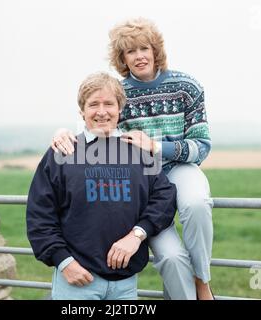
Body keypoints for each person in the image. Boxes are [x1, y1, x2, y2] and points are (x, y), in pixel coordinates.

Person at [51, 18, 214, 300]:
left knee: (196, 203)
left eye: (144, 49)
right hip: (145, 182)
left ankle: (202, 280)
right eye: (130, 51)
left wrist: (155, 146)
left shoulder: (188, 86)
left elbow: (202, 146)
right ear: (122, 57)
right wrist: (63, 132)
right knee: (172, 258)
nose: (138, 56)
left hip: (180, 168)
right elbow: (96, 126)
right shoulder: (120, 93)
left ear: (155, 51)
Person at [26, 72, 177, 300]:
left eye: (109, 104)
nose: (101, 111)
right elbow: (40, 215)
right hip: (76, 280)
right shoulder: (63, 153)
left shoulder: (139, 151)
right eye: (93, 104)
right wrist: (64, 262)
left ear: (120, 109)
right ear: (82, 111)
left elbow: (164, 198)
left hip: (125, 283)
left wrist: (137, 235)